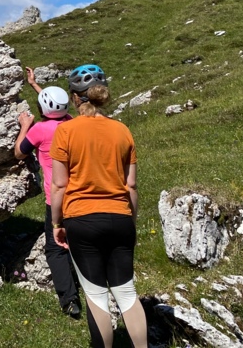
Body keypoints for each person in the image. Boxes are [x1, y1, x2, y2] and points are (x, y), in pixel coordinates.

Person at [50, 64, 148, 348]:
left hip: (81, 219)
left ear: (75, 97)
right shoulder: (122, 131)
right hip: (120, 217)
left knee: (95, 295)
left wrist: (57, 224)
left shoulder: (66, 131)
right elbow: (131, 185)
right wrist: (131, 219)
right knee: (127, 293)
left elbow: (59, 185)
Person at [13, 68, 81, 318]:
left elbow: (19, 152)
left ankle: (70, 300)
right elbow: (55, 108)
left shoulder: (40, 130)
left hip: (57, 199)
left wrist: (25, 126)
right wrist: (34, 85)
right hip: (81, 195)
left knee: (56, 249)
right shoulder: (72, 123)